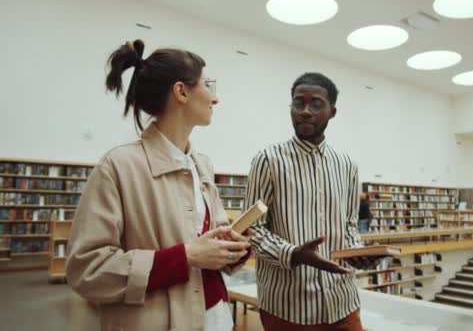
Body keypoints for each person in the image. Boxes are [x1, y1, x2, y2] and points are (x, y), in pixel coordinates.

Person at [66, 39, 251, 331]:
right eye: (208, 85)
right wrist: (186, 256)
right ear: (181, 92)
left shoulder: (202, 165)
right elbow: (87, 270)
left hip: (217, 317)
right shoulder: (117, 167)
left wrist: (231, 250)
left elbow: (209, 251)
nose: (215, 99)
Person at [245, 72, 368, 330]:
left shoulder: (347, 165)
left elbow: (349, 225)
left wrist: (358, 252)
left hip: (343, 302)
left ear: (332, 112)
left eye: (316, 104)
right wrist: (293, 254)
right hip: (288, 306)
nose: (305, 111)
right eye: (298, 103)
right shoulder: (268, 159)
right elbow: (252, 229)